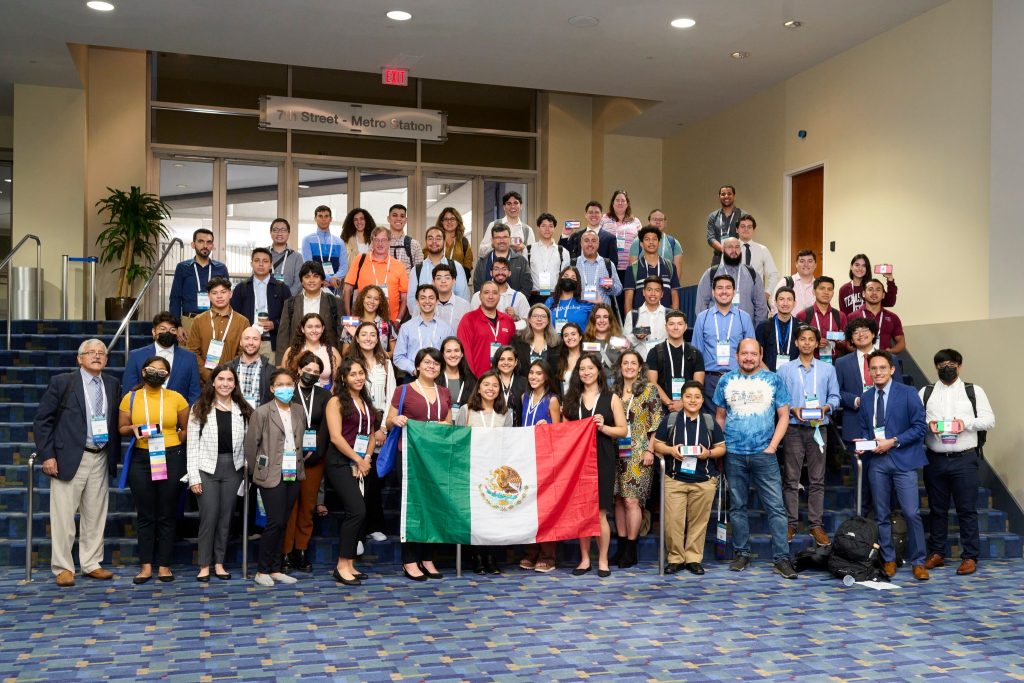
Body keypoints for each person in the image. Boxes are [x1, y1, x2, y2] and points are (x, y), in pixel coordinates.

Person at [33, 339, 121, 587]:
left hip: (100, 455)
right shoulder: (63, 382)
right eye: (91, 352)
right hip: (69, 457)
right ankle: (63, 567)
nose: (97, 356)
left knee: (95, 515)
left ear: (106, 359)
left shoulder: (112, 384)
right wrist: (47, 455)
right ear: (79, 359)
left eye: (101, 353)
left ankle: (91, 563)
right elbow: (42, 421)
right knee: (63, 517)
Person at [712, 339, 796, 579]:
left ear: (760, 355)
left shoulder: (773, 380)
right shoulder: (726, 380)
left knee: (776, 508)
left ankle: (782, 558)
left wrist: (773, 446)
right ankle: (742, 553)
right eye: (744, 353)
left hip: (764, 454)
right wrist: (722, 447)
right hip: (734, 454)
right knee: (737, 507)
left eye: (753, 354)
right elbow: (720, 417)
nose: (748, 358)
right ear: (737, 355)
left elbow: (784, 416)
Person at [920, 349, 995, 576]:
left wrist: (966, 423)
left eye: (951, 364)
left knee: (966, 509)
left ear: (960, 366)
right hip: (935, 459)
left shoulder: (973, 391)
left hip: (964, 459)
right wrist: (928, 426)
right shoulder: (926, 392)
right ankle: (937, 553)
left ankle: (970, 556)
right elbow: (915, 421)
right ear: (936, 367)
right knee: (937, 509)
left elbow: (989, 420)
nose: (947, 368)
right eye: (942, 364)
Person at [856, 350, 929, 581]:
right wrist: (863, 443)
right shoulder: (866, 397)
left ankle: (918, 561)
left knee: (911, 513)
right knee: (881, 514)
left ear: (892, 370)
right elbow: (866, 430)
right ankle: (888, 559)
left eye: (882, 368)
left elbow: (920, 427)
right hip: (877, 462)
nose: (878, 372)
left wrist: (894, 441)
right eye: (873, 368)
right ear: (869, 372)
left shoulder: (908, 393)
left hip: (904, 459)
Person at [118, 355, 191, 584]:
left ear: (167, 376)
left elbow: (186, 429)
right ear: (143, 372)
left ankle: (165, 566)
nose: (156, 374)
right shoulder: (130, 398)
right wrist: (133, 428)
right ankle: (146, 566)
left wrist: (173, 443)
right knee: (146, 514)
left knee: (167, 514)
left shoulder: (176, 398)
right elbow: (121, 428)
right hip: (141, 458)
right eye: (152, 369)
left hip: (170, 457)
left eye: (162, 371)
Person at [385, 348, 453, 581]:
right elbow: (388, 421)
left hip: (435, 458)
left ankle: (427, 558)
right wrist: (395, 420)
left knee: (433, 507)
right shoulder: (403, 390)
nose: (431, 366)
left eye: (436, 363)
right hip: (409, 456)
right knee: (412, 507)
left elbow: (448, 422)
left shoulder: (444, 392)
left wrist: (445, 425)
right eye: (427, 362)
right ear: (417, 366)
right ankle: (409, 559)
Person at [186, 364, 253, 582]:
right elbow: (192, 446)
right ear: (213, 382)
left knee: (226, 518)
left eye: (230, 380)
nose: (225, 383)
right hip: (206, 468)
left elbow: (249, 443)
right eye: (221, 379)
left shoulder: (243, 409)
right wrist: (193, 477)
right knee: (209, 517)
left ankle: (219, 563)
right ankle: (204, 564)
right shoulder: (200, 407)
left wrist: (247, 471)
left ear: (235, 384)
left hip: (234, 469)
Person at [652, 380, 726, 575]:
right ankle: (675, 559)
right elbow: (657, 444)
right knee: (673, 522)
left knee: (698, 523)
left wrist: (708, 453)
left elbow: (721, 448)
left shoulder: (709, 422)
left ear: (702, 400)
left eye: (697, 397)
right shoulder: (670, 420)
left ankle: (693, 559)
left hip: (704, 480)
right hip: (675, 479)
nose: (693, 400)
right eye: (688, 396)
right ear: (682, 399)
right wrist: (671, 450)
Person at [563, 354, 627, 577]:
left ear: (599, 370)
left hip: (603, 457)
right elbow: (563, 431)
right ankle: (584, 560)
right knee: (582, 511)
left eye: (590, 368)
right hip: (578, 460)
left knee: (600, 513)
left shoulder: (611, 398)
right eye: (582, 369)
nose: (586, 372)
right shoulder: (571, 398)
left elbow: (623, 430)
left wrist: (604, 427)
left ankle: (602, 560)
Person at [777, 325, 841, 545]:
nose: (806, 343)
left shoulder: (827, 369)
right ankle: (791, 523)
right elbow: (779, 399)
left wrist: (825, 408)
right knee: (791, 479)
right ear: (796, 343)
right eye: (802, 339)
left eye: (811, 339)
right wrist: (793, 409)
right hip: (793, 428)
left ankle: (816, 525)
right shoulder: (785, 370)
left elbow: (835, 397)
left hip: (818, 428)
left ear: (816, 343)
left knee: (817, 479)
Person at [243, 368, 306, 587]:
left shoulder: (298, 410)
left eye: (289, 384)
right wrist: (258, 472)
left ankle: (276, 569)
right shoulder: (261, 412)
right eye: (280, 385)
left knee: (283, 522)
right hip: (270, 474)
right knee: (275, 521)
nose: (285, 388)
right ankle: (262, 570)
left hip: (293, 472)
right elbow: (251, 446)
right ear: (272, 388)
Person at [323, 357, 380, 586]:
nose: (358, 378)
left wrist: (366, 458)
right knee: (356, 511)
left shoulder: (365, 401)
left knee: (357, 512)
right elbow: (336, 437)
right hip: (339, 462)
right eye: (353, 374)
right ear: (344, 378)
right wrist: (357, 459)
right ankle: (341, 566)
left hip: (359, 462)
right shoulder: (335, 401)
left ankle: (350, 564)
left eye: (361, 373)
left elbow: (371, 434)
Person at [455, 369, 513, 574]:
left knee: (494, 515)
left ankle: (491, 557)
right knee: (477, 515)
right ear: (478, 388)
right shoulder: (466, 410)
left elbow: (510, 442)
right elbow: (458, 440)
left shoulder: (506, 413)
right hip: (472, 470)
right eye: (486, 384)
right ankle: (477, 557)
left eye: (495, 385)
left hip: (496, 473)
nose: (491, 389)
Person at [281, 351, 332, 574]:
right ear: (299, 369)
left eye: (316, 372)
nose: (311, 374)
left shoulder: (325, 395)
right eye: (308, 370)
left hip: (315, 459)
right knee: (290, 507)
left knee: (307, 507)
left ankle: (301, 550)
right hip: (289, 457)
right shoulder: (288, 392)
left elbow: (327, 428)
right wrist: (296, 451)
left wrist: (316, 451)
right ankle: (285, 552)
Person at [610, 350, 662, 569]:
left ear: (640, 367)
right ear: (620, 367)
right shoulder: (613, 390)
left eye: (634, 363)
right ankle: (621, 546)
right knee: (618, 499)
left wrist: (651, 450)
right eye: (625, 363)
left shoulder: (649, 389)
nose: (629, 366)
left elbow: (658, 421)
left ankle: (631, 548)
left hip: (639, 452)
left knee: (632, 501)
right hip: (615, 450)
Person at [345, 321, 395, 543]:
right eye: (363, 334)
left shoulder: (386, 364)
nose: (368, 338)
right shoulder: (350, 364)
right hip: (356, 426)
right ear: (356, 338)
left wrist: (383, 427)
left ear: (378, 338)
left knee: (372, 480)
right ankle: (357, 531)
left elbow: (392, 397)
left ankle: (374, 525)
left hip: (379, 426)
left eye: (372, 334)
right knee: (355, 479)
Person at [517, 359, 562, 573]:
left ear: (546, 377)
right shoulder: (524, 397)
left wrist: (549, 426)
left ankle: (548, 555)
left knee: (545, 508)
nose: (534, 377)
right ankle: (531, 552)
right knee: (527, 507)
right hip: (526, 457)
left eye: (539, 373)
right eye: (531, 373)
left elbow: (559, 431)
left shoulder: (552, 400)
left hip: (546, 458)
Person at [690, 274, 757, 409]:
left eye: (728, 288)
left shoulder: (744, 318)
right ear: (713, 292)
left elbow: (752, 352)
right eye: (720, 288)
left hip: (738, 378)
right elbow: (696, 354)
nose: (724, 291)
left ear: (734, 292)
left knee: (737, 418)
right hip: (710, 380)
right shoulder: (702, 318)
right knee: (712, 420)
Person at [123, 312, 201, 404]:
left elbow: (195, 392)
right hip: (144, 410)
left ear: (177, 333)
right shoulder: (136, 356)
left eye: (172, 330)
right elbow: (128, 392)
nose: (167, 333)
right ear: (154, 332)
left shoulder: (189, 358)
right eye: (163, 329)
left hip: (178, 411)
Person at [183, 277, 249, 385]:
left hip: (233, 381)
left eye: (223, 292)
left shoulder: (243, 322)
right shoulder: (198, 320)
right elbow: (193, 352)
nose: (219, 296)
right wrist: (209, 376)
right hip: (204, 383)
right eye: (214, 293)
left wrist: (228, 375)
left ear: (230, 294)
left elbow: (243, 352)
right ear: (209, 296)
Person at [168, 228, 229, 342]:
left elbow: (227, 299)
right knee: (188, 353)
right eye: (201, 241)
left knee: (214, 353)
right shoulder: (182, 268)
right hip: (189, 321)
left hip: (215, 321)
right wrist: (177, 325)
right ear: (193, 244)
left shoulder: (221, 268)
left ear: (212, 246)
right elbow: (175, 298)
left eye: (209, 242)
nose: (205, 246)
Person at [277, 261, 340, 364]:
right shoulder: (290, 303)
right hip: (297, 360)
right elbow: (283, 336)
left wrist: (340, 363)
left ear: (322, 280)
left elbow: (340, 335)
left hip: (328, 360)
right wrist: (280, 364)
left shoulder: (335, 303)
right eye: (307, 277)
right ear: (301, 281)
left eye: (316, 276)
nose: (311, 280)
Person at [230, 247, 290, 357]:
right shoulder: (241, 288)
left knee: (270, 369)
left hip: (271, 343)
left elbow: (289, 316)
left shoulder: (282, 288)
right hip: (247, 343)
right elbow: (233, 316)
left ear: (271, 264)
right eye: (257, 260)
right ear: (251, 263)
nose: (261, 264)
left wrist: (275, 324)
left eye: (265, 261)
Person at [694, 237, 768, 325]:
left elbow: (761, 306)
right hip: (716, 329)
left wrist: (757, 330)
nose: (734, 250)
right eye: (730, 247)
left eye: (737, 247)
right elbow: (701, 305)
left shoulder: (752, 274)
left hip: (745, 329)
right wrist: (707, 328)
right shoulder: (711, 274)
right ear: (723, 250)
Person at [342, 226, 409, 321]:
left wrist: (398, 321)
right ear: (372, 242)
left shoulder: (399, 265)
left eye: (383, 240)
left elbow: (404, 297)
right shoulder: (360, 260)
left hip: (390, 322)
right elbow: (347, 289)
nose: (380, 244)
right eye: (376, 240)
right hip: (362, 321)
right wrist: (349, 317)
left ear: (389, 242)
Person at [645, 310, 706, 414]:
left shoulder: (696, 353)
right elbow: (652, 382)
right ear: (666, 327)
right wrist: (669, 404)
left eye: (680, 324)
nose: (676, 327)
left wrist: (682, 403)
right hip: (661, 408)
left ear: (685, 327)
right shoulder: (654, 352)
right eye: (671, 324)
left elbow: (698, 385)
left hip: (689, 407)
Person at [457, 281, 516, 377]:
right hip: (478, 379)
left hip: (503, 378)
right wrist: (472, 379)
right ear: (480, 296)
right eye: (486, 292)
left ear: (499, 296)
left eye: (495, 293)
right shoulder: (469, 319)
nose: (491, 296)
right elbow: (464, 352)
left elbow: (513, 352)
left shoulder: (508, 321)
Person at [394, 284, 454, 375]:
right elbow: (398, 357)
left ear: (437, 301)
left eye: (431, 298)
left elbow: (451, 354)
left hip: (439, 376)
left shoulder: (446, 328)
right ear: (417, 301)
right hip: (413, 376)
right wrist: (414, 370)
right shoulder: (406, 327)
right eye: (423, 298)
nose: (427, 301)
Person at [406, 226, 469, 312]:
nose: (434, 242)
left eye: (438, 238)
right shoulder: (416, 270)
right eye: (430, 238)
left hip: (452, 318)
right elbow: (411, 301)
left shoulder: (456, 267)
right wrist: (425, 317)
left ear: (444, 241)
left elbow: (463, 298)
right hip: (424, 318)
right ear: (426, 242)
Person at [623, 226, 680, 311]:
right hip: (641, 318)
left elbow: (674, 294)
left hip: (665, 317)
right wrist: (630, 318)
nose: (651, 242)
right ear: (641, 244)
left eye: (654, 239)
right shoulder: (632, 268)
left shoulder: (670, 266)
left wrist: (674, 316)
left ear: (659, 243)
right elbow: (628, 300)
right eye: (647, 239)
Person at [281, 313, 342, 389]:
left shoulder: (332, 352)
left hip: (325, 394)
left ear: (322, 329)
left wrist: (328, 395)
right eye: (310, 327)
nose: (314, 330)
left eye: (317, 326)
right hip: (296, 394)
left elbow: (337, 382)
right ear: (302, 329)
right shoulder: (291, 351)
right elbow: (283, 379)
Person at [796, 276, 849, 363]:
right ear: (814, 291)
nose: (826, 292)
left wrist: (841, 342)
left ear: (833, 293)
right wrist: (815, 342)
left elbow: (846, 343)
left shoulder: (841, 316)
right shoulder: (803, 315)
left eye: (829, 289)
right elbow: (797, 342)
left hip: (834, 363)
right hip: (809, 363)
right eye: (822, 288)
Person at [848, 278, 905, 353]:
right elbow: (847, 343)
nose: (874, 293)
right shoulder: (852, 316)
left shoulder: (893, 317)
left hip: (885, 358)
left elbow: (901, 342)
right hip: (861, 358)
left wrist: (889, 352)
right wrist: (862, 354)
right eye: (870, 289)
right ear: (863, 294)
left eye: (878, 290)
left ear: (883, 295)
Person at [473, 224, 533, 295]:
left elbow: (527, 286)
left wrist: (516, 301)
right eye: (498, 237)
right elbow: (478, 288)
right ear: (492, 240)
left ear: (510, 239)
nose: (501, 241)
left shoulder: (521, 261)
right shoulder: (482, 262)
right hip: (488, 302)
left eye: (505, 237)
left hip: (515, 302)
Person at [599, 189, 642, 287]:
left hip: (630, 267)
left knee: (628, 293)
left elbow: (642, 243)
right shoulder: (603, 219)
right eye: (617, 200)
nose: (620, 203)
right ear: (612, 203)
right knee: (609, 293)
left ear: (627, 204)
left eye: (623, 200)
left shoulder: (635, 221)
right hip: (608, 267)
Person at [300, 205, 347, 292]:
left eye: (326, 216)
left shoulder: (340, 242)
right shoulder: (307, 240)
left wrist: (334, 279)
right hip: (315, 286)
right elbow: (309, 265)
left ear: (331, 219)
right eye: (320, 216)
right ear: (315, 218)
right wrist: (328, 279)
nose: (323, 219)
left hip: (335, 287)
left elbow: (344, 266)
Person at [629, 209, 684, 283]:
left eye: (661, 220)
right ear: (649, 222)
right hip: (642, 286)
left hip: (666, 286)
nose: (658, 222)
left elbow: (677, 273)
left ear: (665, 223)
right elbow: (633, 271)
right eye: (655, 219)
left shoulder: (674, 243)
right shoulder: (637, 242)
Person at [226, 326, 276, 408]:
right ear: (240, 342)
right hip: (233, 415)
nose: (251, 342)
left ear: (261, 343)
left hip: (260, 415)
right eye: (247, 338)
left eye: (255, 339)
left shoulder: (271, 371)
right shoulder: (228, 368)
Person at [526, 212, 571, 303]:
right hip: (534, 297)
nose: (547, 229)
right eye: (544, 226)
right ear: (538, 228)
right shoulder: (528, 250)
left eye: (550, 226)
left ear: (554, 228)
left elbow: (565, 277)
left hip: (555, 296)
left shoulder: (563, 252)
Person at [470, 256, 530, 322]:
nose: (500, 272)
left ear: (509, 273)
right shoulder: (478, 296)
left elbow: (528, 323)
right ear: (491, 273)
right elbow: (472, 321)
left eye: (504, 269)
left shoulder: (519, 297)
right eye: (496, 269)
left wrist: (515, 318)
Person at [340, 284, 394, 357]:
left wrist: (382, 357)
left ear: (380, 302)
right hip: (356, 363)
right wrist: (356, 336)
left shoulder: (386, 324)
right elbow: (344, 353)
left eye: (376, 299)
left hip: (379, 363)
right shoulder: (351, 322)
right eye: (368, 297)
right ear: (363, 298)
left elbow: (394, 352)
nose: (372, 301)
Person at [735, 215, 780, 301]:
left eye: (749, 227)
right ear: (737, 229)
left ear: (753, 230)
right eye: (743, 226)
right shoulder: (729, 249)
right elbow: (722, 274)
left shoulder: (762, 250)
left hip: (756, 297)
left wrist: (767, 293)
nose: (746, 229)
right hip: (735, 297)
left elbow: (774, 274)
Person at [415, 263, 470, 332]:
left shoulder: (464, 306)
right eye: (439, 278)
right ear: (433, 282)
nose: (443, 281)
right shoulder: (423, 305)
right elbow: (414, 328)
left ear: (453, 281)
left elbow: (469, 331)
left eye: (447, 278)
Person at [623, 278, 669, 359]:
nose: (653, 294)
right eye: (649, 290)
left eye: (657, 290)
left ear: (662, 294)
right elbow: (625, 343)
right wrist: (637, 337)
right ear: (643, 292)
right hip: (640, 362)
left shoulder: (669, 315)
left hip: (664, 362)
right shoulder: (633, 315)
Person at [575, 229, 622, 307]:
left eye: (593, 241)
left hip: (602, 311)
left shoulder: (608, 264)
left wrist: (610, 287)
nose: (590, 244)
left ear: (598, 244)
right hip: (579, 311)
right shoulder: (572, 264)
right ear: (581, 243)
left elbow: (619, 290)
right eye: (586, 241)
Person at [755, 288, 799, 372]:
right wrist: (770, 375)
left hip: (794, 375)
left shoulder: (801, 327)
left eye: (789, 299)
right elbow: (757, 355)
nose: (785, 303)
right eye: (781, 299)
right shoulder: (763, 327)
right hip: (768, 375)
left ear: (794, 303)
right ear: (775, 302)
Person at [480, 190, 534, 256]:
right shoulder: (493, 225)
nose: (512, 206)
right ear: (504, 207)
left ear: (521, 206)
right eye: (509, 204)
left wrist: (523, 248)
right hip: (497, 262)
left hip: (519, 262)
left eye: (516, 203)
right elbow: (481, 251)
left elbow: (533, 256)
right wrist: (494, 244)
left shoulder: (527, 230)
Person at [511, 304, 560, 373]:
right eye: (535, 316)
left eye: (543, 316)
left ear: (548, 320)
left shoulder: (557, 342)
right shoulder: (517, 340)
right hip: (524, 379)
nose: (539, 319)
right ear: (529, 319)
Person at [705, 185, 745, 266]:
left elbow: (745, 236)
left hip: (738, 258)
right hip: (718, 258)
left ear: (734, 196)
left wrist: (732, 250)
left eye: (729, 194)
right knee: (715, 275)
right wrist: (723, 249)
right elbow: (710, 238)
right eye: (723, 194)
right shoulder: (713, 216)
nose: (726, 196)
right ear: (719, 196)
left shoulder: (743, 216)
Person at [582, 302, 629, 371]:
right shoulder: (586, 340)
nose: (601, 320)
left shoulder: (621, 340)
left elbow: (632, 362)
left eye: (605, 317)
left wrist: (625, 353)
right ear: (593, 320)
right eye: (598, 317)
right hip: (593, 377)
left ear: (610, 320)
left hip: (615, 377)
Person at [545, 266, 593, 333]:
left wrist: (599, 302)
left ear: (577, 283)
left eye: (573, 278)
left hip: (579, 339)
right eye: (566, 276)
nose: (569, 279)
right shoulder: (550, 301)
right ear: (560, 279)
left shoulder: (584, 302)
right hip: (554, 339)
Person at [439, 336, 476, 413]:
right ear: (442, 354)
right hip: (439, 420)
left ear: (462, 354)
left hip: (465, 420)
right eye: (448, 351)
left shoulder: (471, 379)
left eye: (456, 350)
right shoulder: (435, 378)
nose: (453, 355)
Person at [436, 207, 475, 279]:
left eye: (452, 219)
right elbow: (427, 259)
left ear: (458, 221)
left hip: (458, 280)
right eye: (446, 219)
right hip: (437, 280)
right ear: (441, 222)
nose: (449, 222)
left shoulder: (463, 241)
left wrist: (460, 280)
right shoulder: (435, 241)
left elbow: (468, 264)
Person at [385, 203, 423, 275]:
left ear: (406, 220)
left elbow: (420, 273)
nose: (398, 219)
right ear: (388, 219)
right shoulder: (378, 242)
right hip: (384, 281)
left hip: (407, 282)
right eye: (394, 215)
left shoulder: (414, 244)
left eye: (402, 216)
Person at [492, 345, 527, 421]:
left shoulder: (525, 383)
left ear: (515, 362)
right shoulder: (490, 381)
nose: (506, 362)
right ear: (497, 362)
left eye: (510, 359)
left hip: (519, 427)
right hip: (494, 426)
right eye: (502, 359)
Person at [268, 218, 302, 296]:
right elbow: (256, 278)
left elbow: (298, 284)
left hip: (289, 300)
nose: (279, 233)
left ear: (288, 233)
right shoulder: (262, 254)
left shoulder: (297, 257)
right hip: (265, 300)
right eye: (275, 230)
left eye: (283, 230)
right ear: (270, 233)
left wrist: (286, 298)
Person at [555, 322, 584, 394]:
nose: (570, 337)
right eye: (566, 335)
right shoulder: (558, 360)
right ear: (563, 339)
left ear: (580, 337)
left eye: (573, 334)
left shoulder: (588, 358)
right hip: (564, 400)